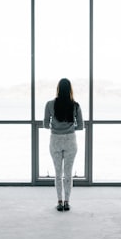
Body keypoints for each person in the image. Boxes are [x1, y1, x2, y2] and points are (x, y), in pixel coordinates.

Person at [43, 77, 84, 211]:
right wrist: (69, 127)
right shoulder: (75, 105)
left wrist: (54, 125)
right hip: (70, 140)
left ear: (58, 89)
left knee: (58, 173)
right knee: (68, 173)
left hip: (55, 139)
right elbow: (80, 126)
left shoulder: (49, 104)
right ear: (70, 90)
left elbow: (45, 124)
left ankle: (59, 202)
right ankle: (67, 202)